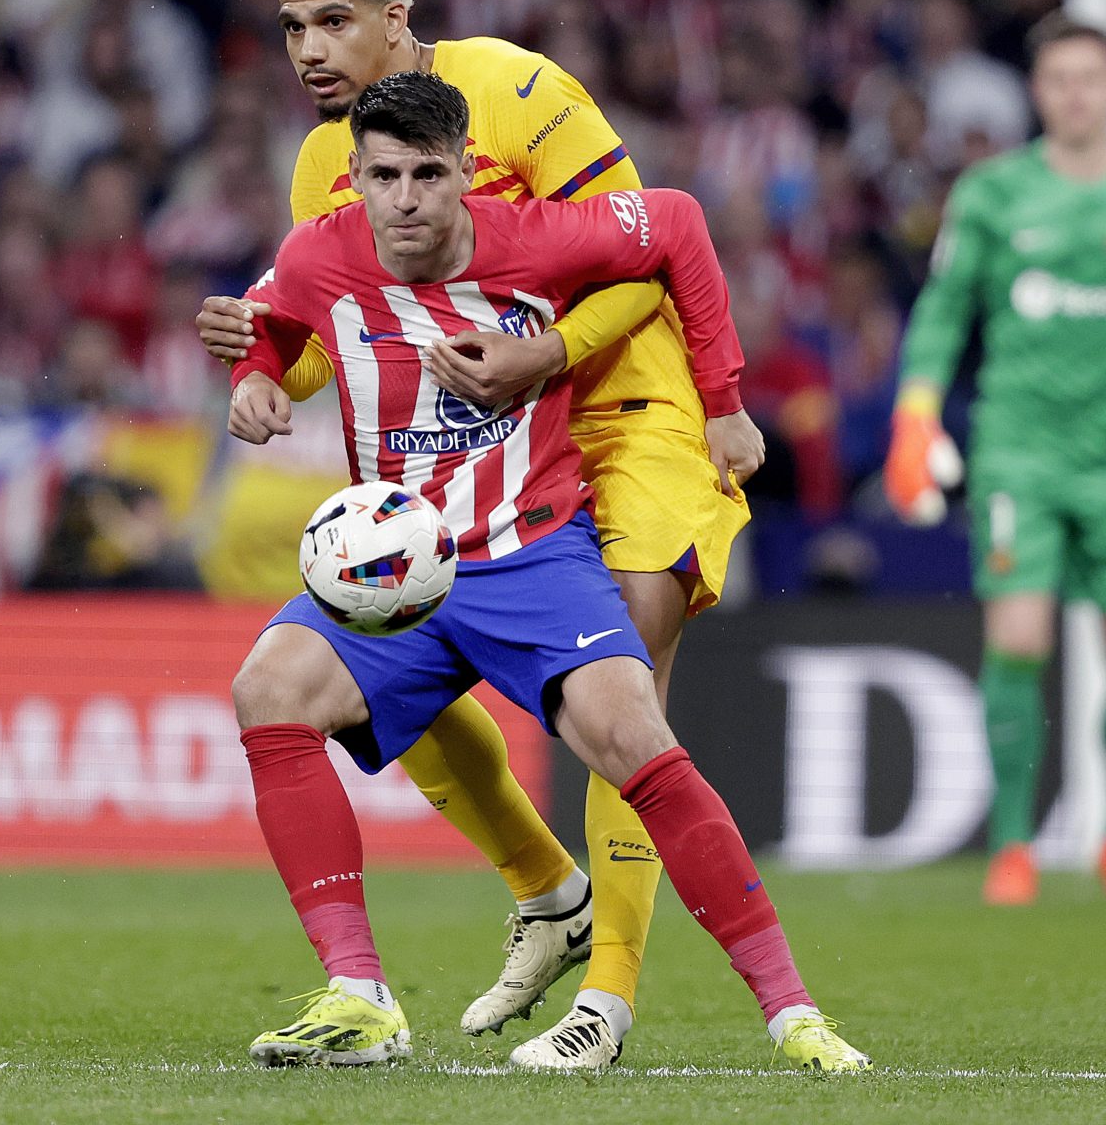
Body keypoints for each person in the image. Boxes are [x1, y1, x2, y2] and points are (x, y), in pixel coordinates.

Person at [229, 71, 871, 1075]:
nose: (403, 199)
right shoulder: (320, 251)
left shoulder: (534, 237)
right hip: (397, 565)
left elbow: (677, 224)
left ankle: (792, 1009)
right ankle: (360, 996)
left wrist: (726, 401)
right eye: (383, 175)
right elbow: (268, 322)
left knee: (632, 735)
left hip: (530, 550)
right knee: (266, 688)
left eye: (428, 175)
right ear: (351, 178)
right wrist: (254, 379)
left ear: (464, 175)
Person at [195, 0, 750, 1067]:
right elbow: (324, 334)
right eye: (293, 27)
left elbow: (650, 260)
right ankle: (549, 891)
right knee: (386, 634)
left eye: (335, 22)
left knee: (625, 673)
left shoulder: (517, 85)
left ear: (399, 19)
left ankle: (608, 994)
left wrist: (545, 356)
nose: (309, 49)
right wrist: (256, 359)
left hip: (621, 404)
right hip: (466, 446)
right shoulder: (320, 165)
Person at [885, 13, 1106, 907]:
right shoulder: (994, 194)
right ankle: (1012, 847)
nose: (1075, 95)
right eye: (1058, 80)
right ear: (1037, 93)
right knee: (1020, 638)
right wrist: (917, 415)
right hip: (1019, 452)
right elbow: (943, 309)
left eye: (1090, 78)